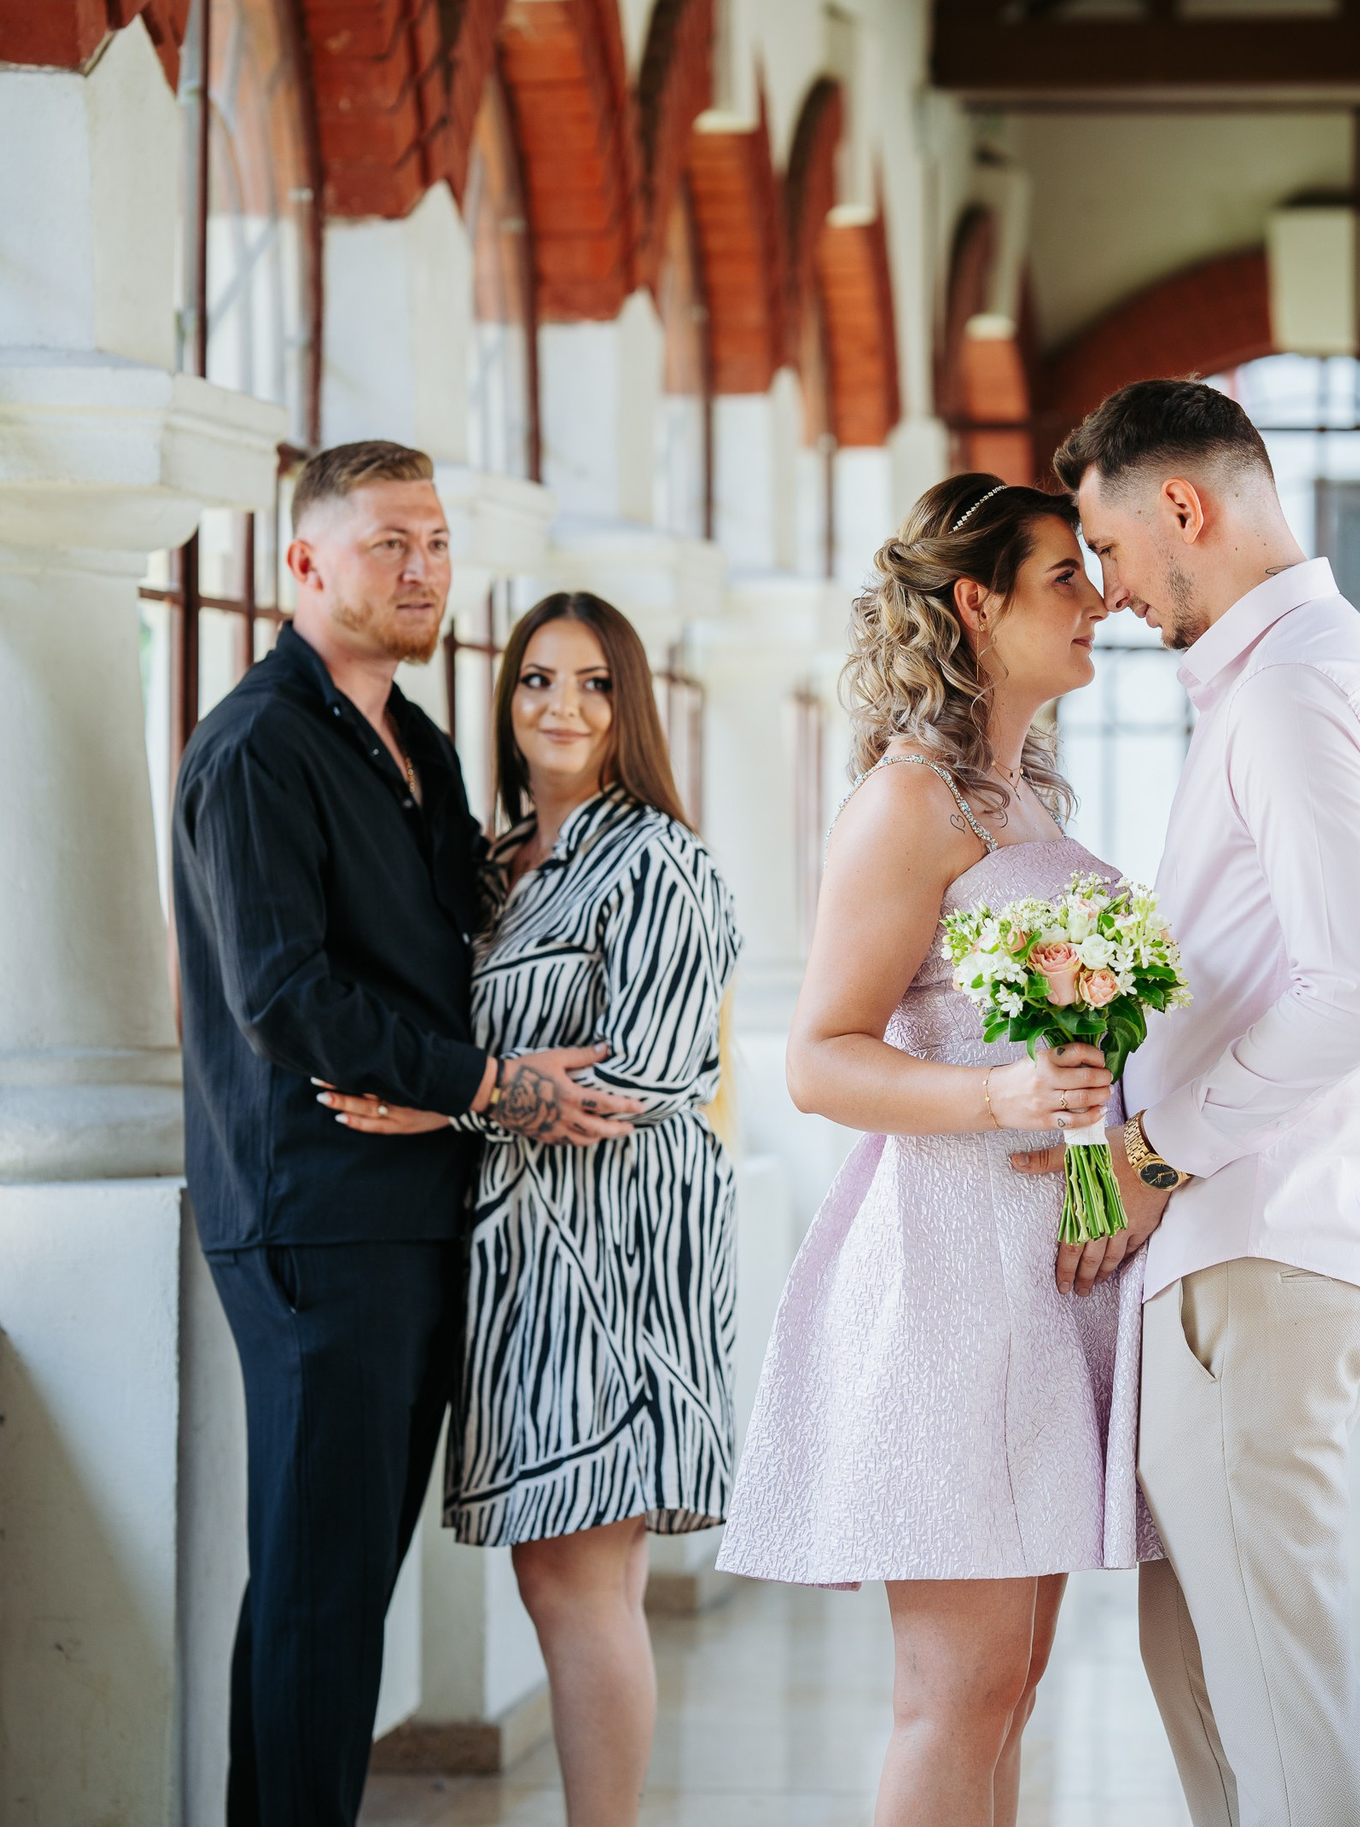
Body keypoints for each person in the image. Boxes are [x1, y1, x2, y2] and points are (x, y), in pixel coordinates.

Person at [172, 441, 645, 1827]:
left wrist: (458, 1079)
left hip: (412, 1200)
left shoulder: (418, 741)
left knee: (337, 1590)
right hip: (318, 1216)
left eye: (435, 540)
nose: (424, 567)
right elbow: (283, 995)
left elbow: (458, 951)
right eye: (389, 542)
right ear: (303, 564)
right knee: (320, 1594)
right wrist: (487, 1084)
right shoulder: (260, 744)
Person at [715, 472, 1150, 1827]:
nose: (1100, 602)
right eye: (1065, 579)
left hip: (1050, 1283)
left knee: (1010, 1690)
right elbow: (820, 1053)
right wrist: (1002, 1104)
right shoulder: (909, 802)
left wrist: (1110, 1160)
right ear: (978, 601)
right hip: (952, 1289)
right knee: (953, 1696)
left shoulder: (1022, 797)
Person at [1033, 377, 1360, 1827]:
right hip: (1248, 1245)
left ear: (1182, 509)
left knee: (1275, 1689)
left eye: (1110, 549)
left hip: (1263, 1248)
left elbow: (1357, 995)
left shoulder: (1289, 685)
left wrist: (1149, 1153)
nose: (1108, 590)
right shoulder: (1287, 677)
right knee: (1196, 1658)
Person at [320, 591, 743, 1827]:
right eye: (537, 681)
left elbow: (643, 1082)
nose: (563, 706)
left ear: (629, 707)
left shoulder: (660, 859)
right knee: (553, 1572)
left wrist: (442, 1106)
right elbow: (534, 1070)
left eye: (595, 683)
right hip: (514, 1250)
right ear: (504, 704)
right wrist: (498, 1095)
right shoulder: (495, 865)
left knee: (578, 1579)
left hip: (619, 1254)